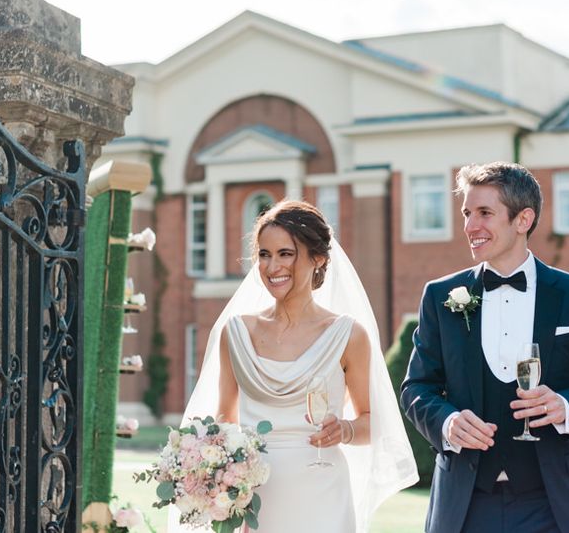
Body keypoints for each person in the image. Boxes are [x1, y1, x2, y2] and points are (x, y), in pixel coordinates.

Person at [401, 162, 569, 533]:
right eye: (467, 214)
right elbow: (416, 389)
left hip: (551, 504)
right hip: (464, 501)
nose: (470, 226)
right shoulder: (441, 296)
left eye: (485, 213)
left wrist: (566, 406)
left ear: (523, 220)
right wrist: (447, 422)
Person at [173, 200, 417, 533]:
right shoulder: (236, 332)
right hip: (256, 500)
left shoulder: (348, 335)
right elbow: (224, 421)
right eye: (264, 254)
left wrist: (344, 430)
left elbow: (374, 423)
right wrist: (222, 486)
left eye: (285, 253)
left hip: (323, 495)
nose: (272, 267)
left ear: (318, 259)